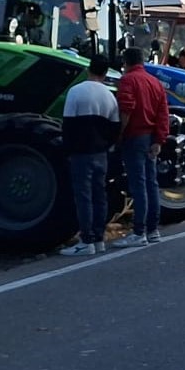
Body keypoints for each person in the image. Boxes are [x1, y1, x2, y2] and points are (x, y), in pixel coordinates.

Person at [59, 56, 120, 256]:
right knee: (99, 196)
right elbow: (114, 127)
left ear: (89, 69)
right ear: (105, 73)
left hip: (80, 152)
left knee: (83, 197)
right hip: (100, 153)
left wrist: (68, 150)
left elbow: (67, 125)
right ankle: (99, 238)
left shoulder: (76, 92)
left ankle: (86, 240)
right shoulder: (110, 96)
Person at [113, 46, 171, 247]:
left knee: (138, 185)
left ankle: (139, 232)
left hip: (134, 137)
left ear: (126, 62)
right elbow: (163, 114)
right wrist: (159, 140)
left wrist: (119, 134)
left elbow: (126, 109)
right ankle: (153, 229)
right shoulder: (155, 82)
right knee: (151, 183)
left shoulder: (128, 80)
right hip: (150, 138)